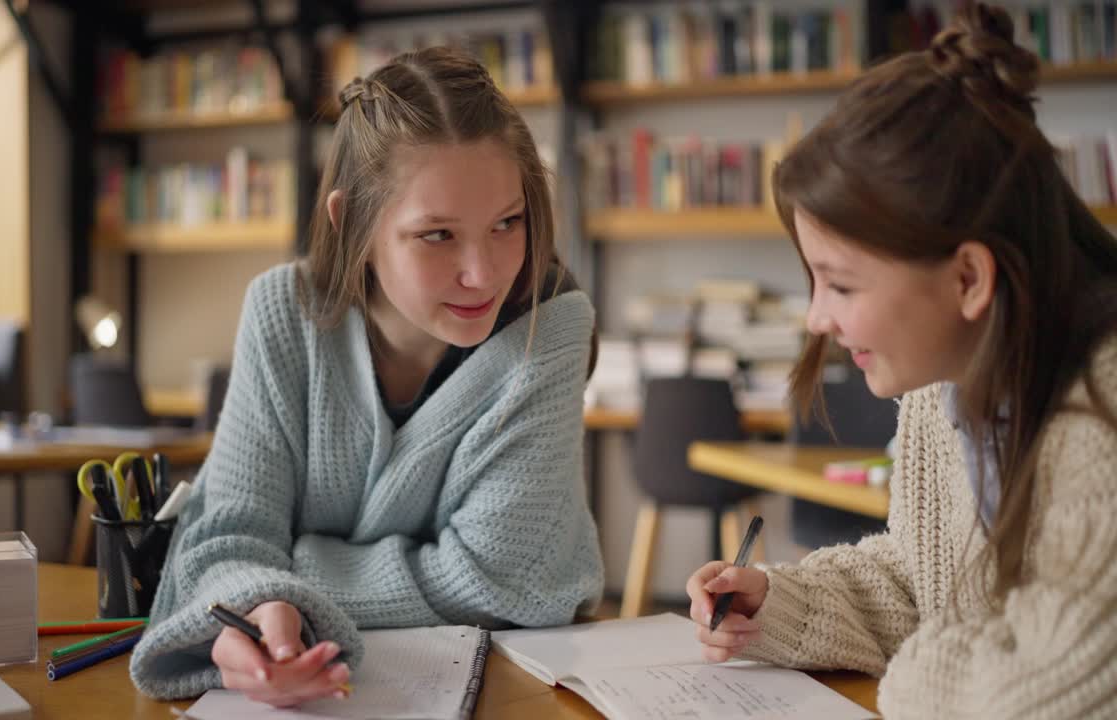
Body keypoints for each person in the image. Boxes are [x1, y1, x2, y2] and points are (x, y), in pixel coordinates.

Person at [129, 47, 604, 705]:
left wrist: (284, 572)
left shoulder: (550, 329)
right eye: (438, 235)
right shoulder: (282, 314)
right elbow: (225, 541)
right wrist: (256, 608)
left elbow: (503, 577)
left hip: (519, 689)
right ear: (350, 221)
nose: (485, 273)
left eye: (507, 223)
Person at [684, 4, 1117, 718]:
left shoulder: (1099, 414)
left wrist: (921, 667)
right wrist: (778, 605)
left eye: (841, 283)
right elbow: (929, 583)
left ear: (969, 280)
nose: (817, 317)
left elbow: (1039, 692)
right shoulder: (943, 386)